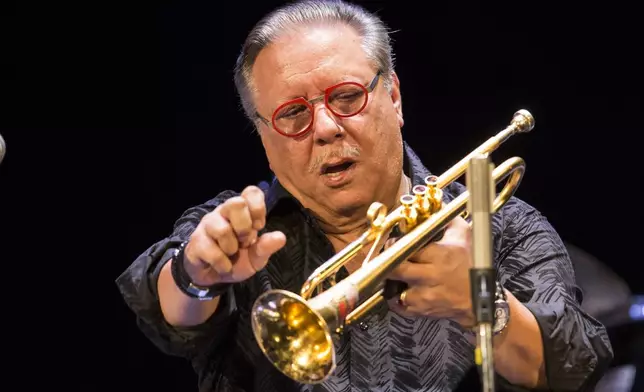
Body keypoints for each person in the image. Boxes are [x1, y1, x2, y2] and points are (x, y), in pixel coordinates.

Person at [116, 0, 613, 391]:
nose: (327, 128)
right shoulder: (239, 230)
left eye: (347, 97)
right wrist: (197, 275)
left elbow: (574, 369)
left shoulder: (505, 227)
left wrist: (481, 303)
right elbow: (163, 311)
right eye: (292, 114)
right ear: (264, 138)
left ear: (393, 98)